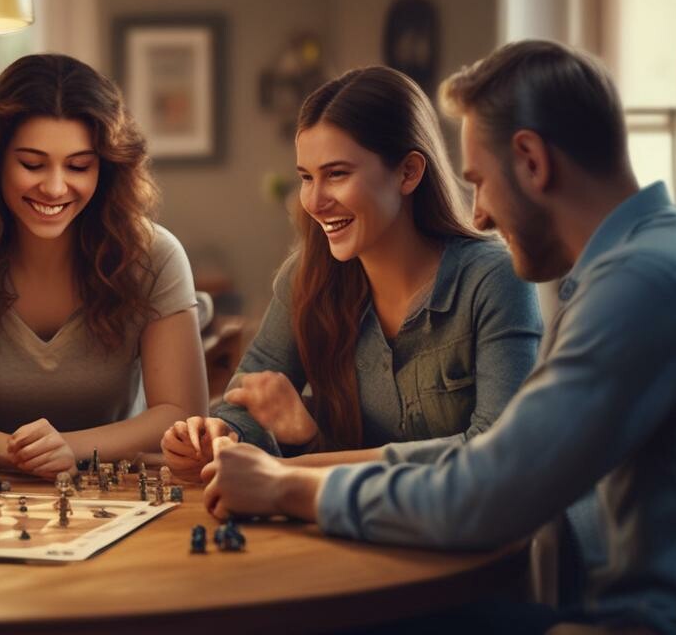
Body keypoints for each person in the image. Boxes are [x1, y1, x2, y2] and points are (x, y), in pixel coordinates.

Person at [202, 40, 676, 634]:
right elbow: (497, 458)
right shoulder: (659, 255)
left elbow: (488, 491)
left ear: (532, 161)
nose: (481, 214)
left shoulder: (639, 286)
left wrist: (291, 487)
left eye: (480, 182)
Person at [163, 66, 541, 480]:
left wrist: (300, 459)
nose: (315, 200)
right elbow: (244, 403)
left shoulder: (494, 280)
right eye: (306, 177)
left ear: (409, 173)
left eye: (337, 174)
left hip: (480, 540)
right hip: (356, 532)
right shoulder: (305, 277)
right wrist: (220, 435)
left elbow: (496, 452)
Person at [0, 53, 207, 478]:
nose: (54, 187)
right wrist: (22, 454)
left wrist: (70, 450)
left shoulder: (155, 256)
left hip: (111, 489)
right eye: (32, 164)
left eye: (78, 166)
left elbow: (180, 413)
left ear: (106, 169)